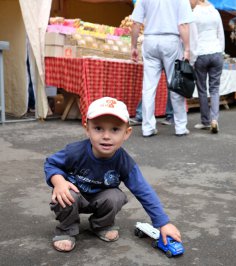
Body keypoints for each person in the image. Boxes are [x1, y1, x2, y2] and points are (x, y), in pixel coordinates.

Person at [44, 97, 181, 252]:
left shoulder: (124, 162)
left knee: (116, 196)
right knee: (65, 193)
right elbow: (51, 163)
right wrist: (58, 182)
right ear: (87, 129)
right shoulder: (75, 151)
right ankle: (66, 230)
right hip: (75, 196)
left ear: (127, 133)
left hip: (101, 200)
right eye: (98, 128)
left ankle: (102, 224)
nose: (106, 136)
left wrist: (163, 223)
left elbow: (143, 190)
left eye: (115, 129)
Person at [131, 0, 193, 137]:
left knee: (148, 87)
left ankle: (147, 127)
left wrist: (133, 46)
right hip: (171, 40)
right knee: (175, 83)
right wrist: (187, 49)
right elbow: (183, 25)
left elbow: (136, 23)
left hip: (150, 40)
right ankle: (180, 127)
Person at [191, 0, 224, 134]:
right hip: (216, 52)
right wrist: (220, 51)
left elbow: (193, 38)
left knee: (202, 89)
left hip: (201, 53)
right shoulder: (215, 12)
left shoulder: (194, 14)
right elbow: (220, 34)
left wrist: (192, 59)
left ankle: (205, 121)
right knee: (215, 89)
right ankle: (214, 119)